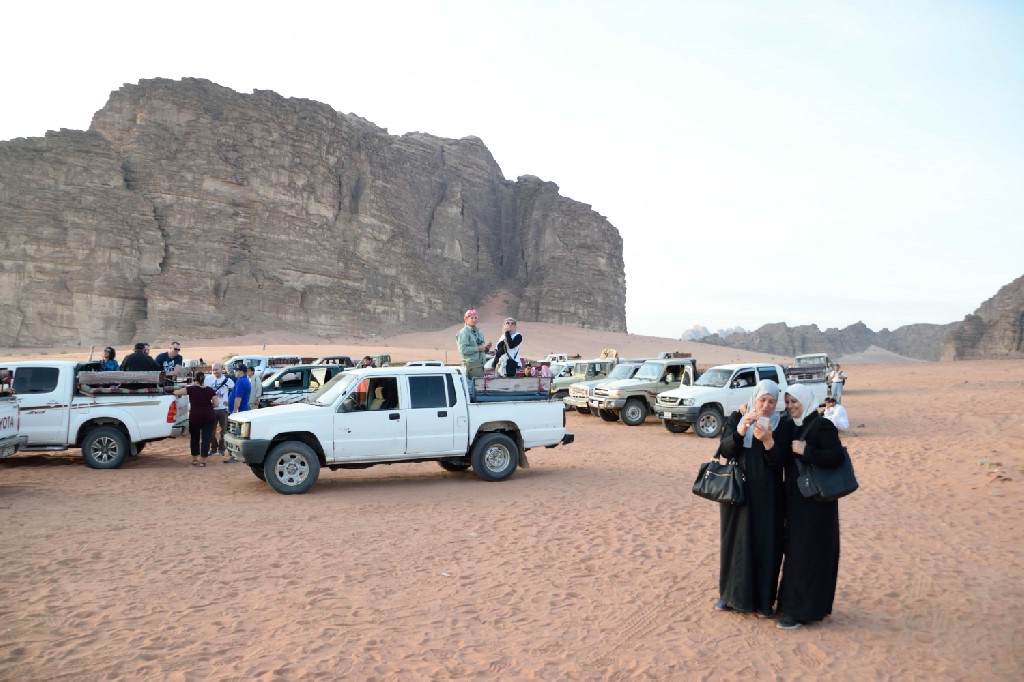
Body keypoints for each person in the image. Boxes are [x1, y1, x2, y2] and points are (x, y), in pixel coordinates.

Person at [713, 379, 792, 619]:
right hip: (738, 493)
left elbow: (781, 462)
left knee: (766, 544)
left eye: (771, 401)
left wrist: (768, 441)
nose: (766, 406)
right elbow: (725, 451)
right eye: (762, 400)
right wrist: (741, 431)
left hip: (769, 496)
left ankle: (763, 602)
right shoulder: (737, 417)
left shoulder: (782, 425)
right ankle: (730, 595)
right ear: (754, 399)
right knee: (734, 542)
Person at [773, 383, 845, 630]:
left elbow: (836, 456)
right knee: (795, 552)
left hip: (817, 505)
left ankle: (800, 612)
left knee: (810, 553)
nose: (791, 406)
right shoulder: (790, 425)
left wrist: (807, 450)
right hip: (795, 501)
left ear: (805, 400)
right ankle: (795, 606)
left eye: (795, 401)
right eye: (788, 402)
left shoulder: (822, 425)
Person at [174, 371, 217, 467]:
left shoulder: (191, 389)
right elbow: (216, 404)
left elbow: (176, 392)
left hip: (195, 416)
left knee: (194, 438)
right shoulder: (210, 390)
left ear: (194, 379)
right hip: (209, 415)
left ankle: (195, 459)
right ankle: (203, 460)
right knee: (206, 438)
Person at [204, 363, 234, 460]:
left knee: (224, 431)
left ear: (222, 369)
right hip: (211, 409)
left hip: (223, 409)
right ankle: (213, 447)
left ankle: (222, 448)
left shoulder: (228, 380)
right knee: (210, 431)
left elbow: (233, 390)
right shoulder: (208, 379)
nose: (215, 371)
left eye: (216, 369)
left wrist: (228, 402)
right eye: (213, 370)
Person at [456, 309, 490, 379]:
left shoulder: (479, 332)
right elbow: (463, 349)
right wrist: (478, 349)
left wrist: (485, 349)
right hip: (471, 365)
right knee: (473, 385)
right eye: (472, 318)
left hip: (480, 365)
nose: (474, 320)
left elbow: (480, 348)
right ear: (466, 319)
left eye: (475, 318)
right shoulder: (464, 332)